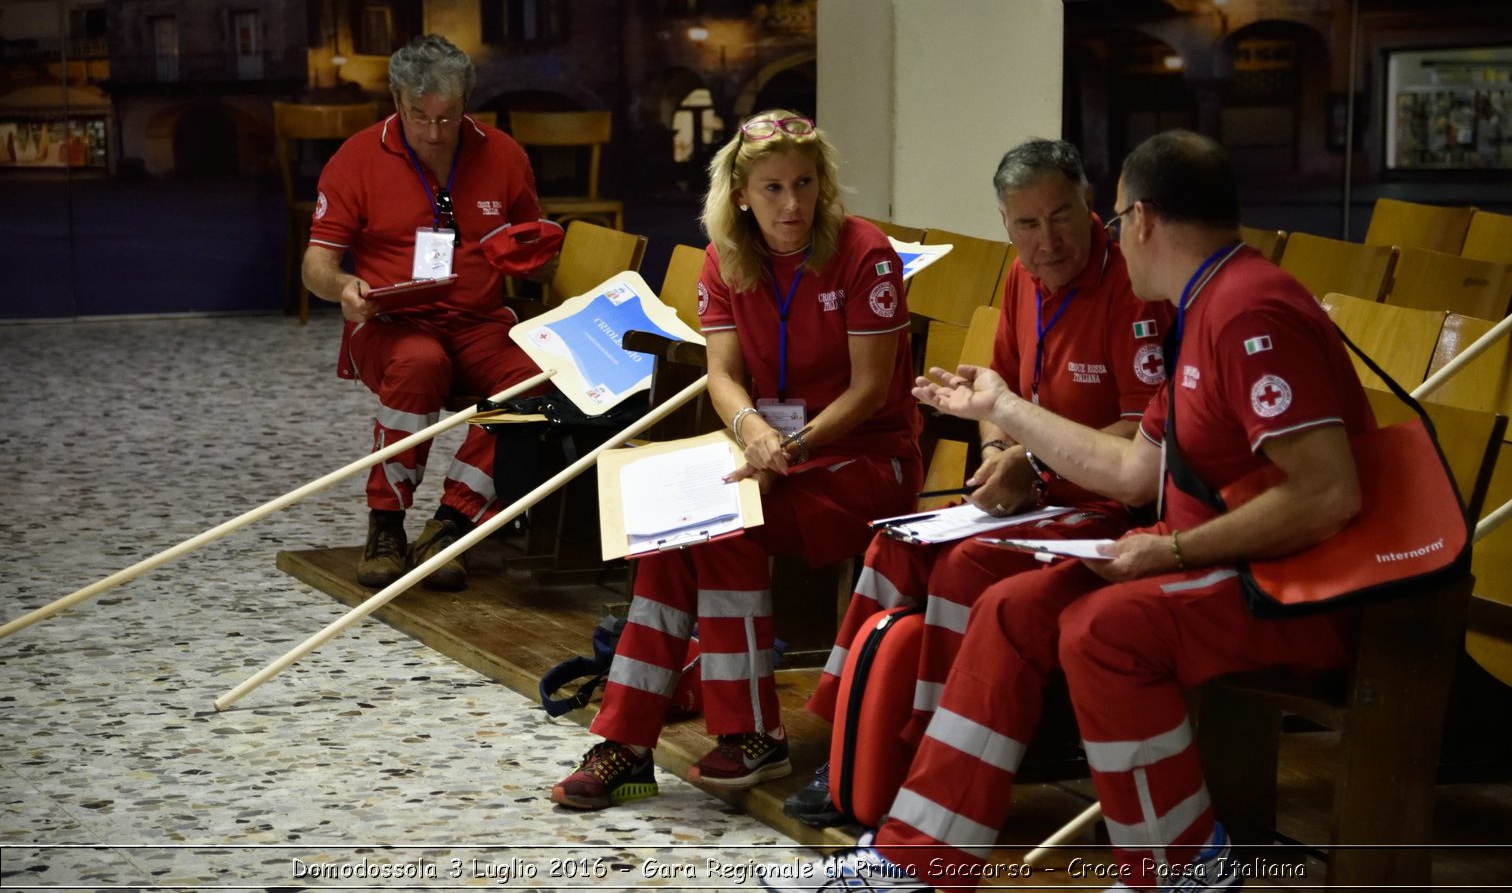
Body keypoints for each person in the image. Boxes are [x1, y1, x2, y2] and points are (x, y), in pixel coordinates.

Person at [762, 130, 1376, 893]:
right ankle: (916, 859)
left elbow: (1327, 494)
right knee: (1011, 608)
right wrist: (1003, 412)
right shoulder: (1204, 302)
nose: (1109, 237)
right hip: (1200, 554)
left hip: (1291, 584)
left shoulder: (1253, 311)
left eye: (1110, 218)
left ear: (1141, 219)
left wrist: (1174, 553)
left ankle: (1180, 867)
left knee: (1102, 631)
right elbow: (1131, 469)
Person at [784, 139, 1172, 826]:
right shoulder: (1023, 279)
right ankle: (845, 740)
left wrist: (1035, 465)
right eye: (1026, 225)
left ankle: (922, 757)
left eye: (1062, 217)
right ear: (1005, 226)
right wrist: (997, 453)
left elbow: (1143, 441)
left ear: (1091, 207)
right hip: (1037, 491)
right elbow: (993, 395)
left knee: (964, 566)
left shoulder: (1132, 291)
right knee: (892, 546)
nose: (1047, 241)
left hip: (1106, 505)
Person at [551, 109, 923, 810]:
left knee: (726, 528)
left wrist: (793, 444)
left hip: (863, 460)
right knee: (671, 534)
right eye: (774, 187)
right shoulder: (727, 256)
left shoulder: (863, 253)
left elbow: (872, 390)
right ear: (742, 193)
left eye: (805, 184)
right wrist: (754, 430)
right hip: (773, 454)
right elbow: (722, 374)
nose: (792, 204)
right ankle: (627, 745)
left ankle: (754, 733)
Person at [304, 34, 560, 592]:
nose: (434, 132)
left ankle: (454, 525)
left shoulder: (503, 153)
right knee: (420, 364)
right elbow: (315, 265)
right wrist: (345, 287)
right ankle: (387, 523)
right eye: (420, 116)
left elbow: (534, 249)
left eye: (448, 117)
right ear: (398, 102)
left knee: (539, 379)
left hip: (478, 323)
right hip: (394, 326)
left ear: (467, 101)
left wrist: (534, 261)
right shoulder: (357, 157)